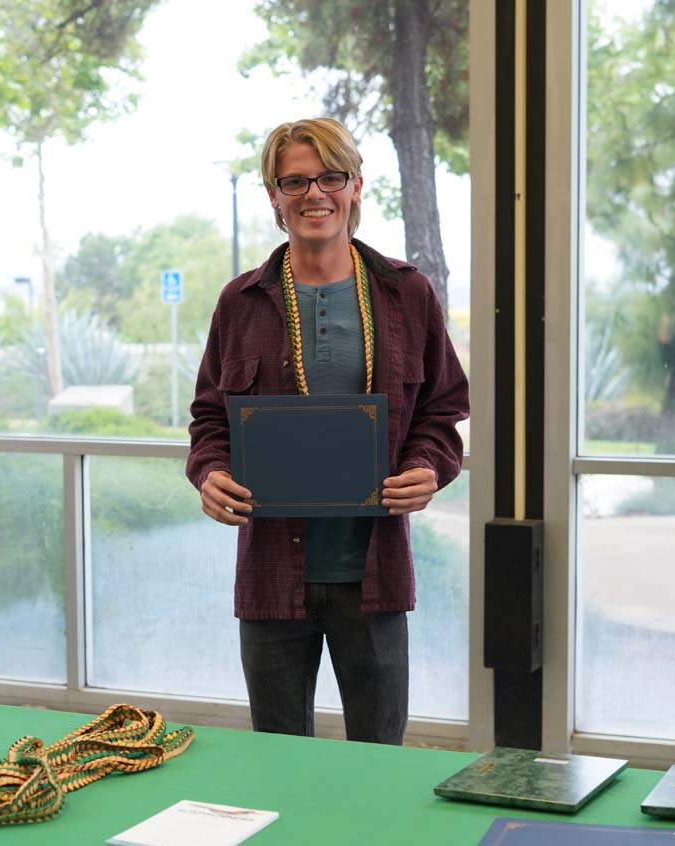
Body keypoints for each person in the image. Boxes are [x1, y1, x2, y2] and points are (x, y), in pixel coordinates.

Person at [186, 117, 469, 745]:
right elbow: (209, 418)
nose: (314, 194)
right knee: (280, 764)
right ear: (273, 197)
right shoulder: (241, 301)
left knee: (378, 763)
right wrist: (211, 475)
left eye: (330, 177)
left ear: (356, 186)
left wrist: (428, 466)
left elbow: (444, 408)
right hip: (271, 578)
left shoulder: (405, 293)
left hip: (373, 575)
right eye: (295, 181)